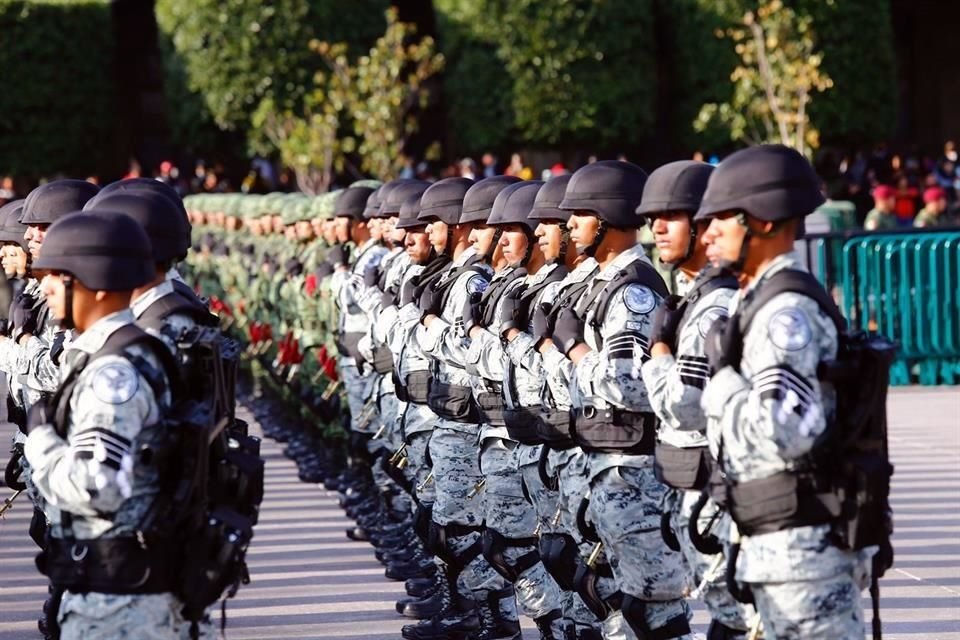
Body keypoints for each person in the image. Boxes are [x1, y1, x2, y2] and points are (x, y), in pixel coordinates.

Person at [696, 144, 872, 639]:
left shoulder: (783, 313)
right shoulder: (760, 300)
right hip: (778, 546)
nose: (707, 232)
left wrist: (722, 379)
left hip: (802, 558)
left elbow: (781, 431)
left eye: (722, 218)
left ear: (765, 220)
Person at [546, 160, 691, 640]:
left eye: (580, 215)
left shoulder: (632, 294)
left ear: (606, 220)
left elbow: (633, 386)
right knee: (617, 607)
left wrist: (576, 349)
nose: (569, 225)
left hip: (635, 475)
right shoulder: (604, 283)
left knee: (653, 615)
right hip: (606, 467)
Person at [24, 209, 183, 639]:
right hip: (128, 590)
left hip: (120, 604)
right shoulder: (125, 350)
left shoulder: (113, 373)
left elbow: (96, 486)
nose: (46, 286)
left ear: (93, 283)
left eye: (58, 274)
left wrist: (40, 440)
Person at [636, 161, 754, 639]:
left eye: (673, 216)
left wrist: (658, 352)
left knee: (735, 623)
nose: (658, 228)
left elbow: (685, 404)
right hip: (694, 488)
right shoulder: (691, 295)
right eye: (652, 218)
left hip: (719, 490)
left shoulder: (713, 306)